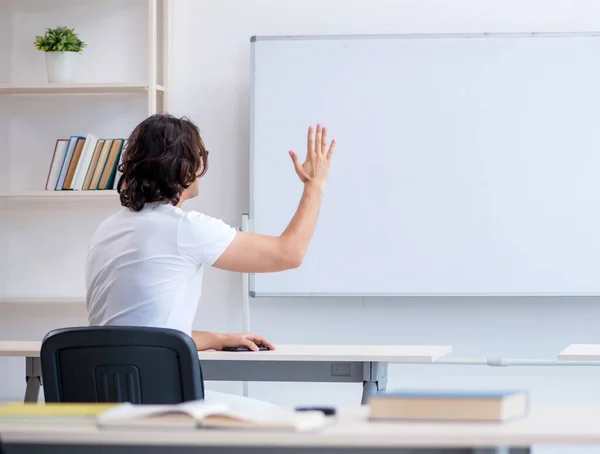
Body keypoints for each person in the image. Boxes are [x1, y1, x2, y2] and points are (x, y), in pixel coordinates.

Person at [84, 113, 335, 407]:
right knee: (293, 423)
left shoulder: (107, 228)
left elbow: (139, 334)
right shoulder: (184, 228)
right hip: (164, 405)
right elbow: (289, 253)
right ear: (184, 167)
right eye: (201, 156)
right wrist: (315, 186)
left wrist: (217, 339)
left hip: (106, 404)